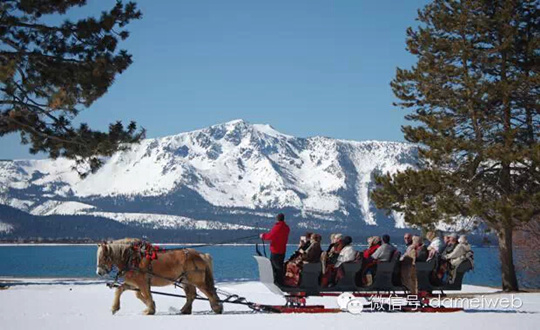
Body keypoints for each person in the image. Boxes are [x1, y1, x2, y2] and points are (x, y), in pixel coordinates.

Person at [260, 213, 290, 285]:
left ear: (277, 219)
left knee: (275, 267)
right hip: (282, 250)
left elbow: (270, 236)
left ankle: (277, 282)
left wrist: (263, 236)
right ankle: (279, 281)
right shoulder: (286, 227)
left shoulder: (277, 227)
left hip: (276, 250)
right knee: (279, 266)